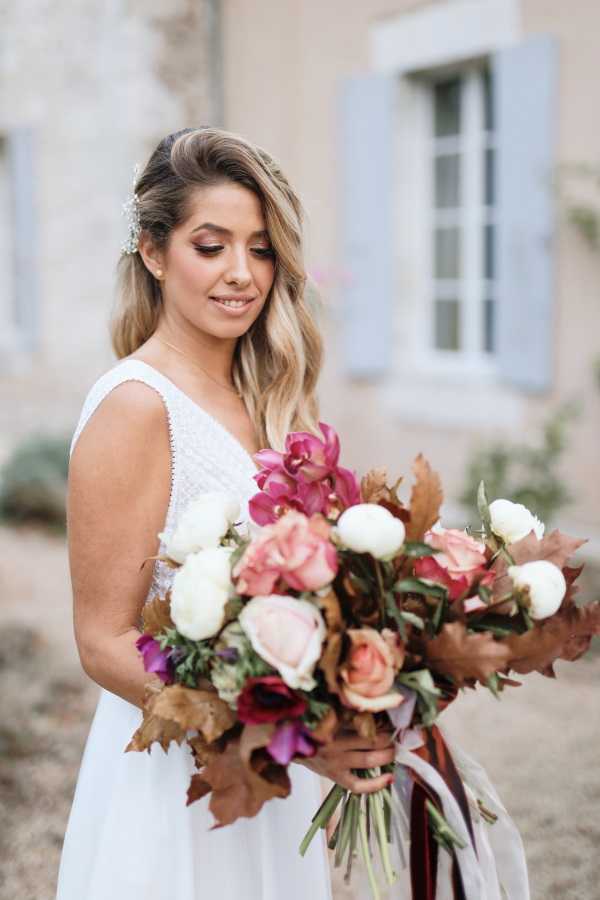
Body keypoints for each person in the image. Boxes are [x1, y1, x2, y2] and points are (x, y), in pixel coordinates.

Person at [56, 126, 396, 900]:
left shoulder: (274, 403)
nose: (243, 274)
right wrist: (292, 735)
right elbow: (104, 641)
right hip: (180, 773)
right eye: (211, 247)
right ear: (152, 251)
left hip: (271, 776)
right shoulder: (137, 406)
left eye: (262, 248)